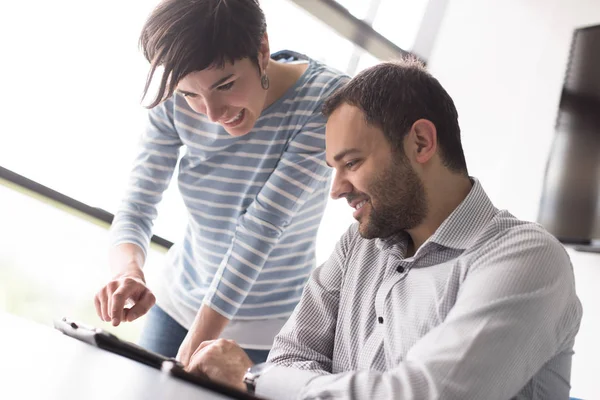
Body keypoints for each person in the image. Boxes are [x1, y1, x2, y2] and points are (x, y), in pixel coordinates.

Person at [184, 59, 583, 400]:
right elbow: (289, 357)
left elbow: (422, 395)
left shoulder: (527, 258)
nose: (337, 189)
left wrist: (255, 378)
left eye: (352, 163)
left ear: (422, 142)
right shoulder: (358, 246)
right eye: (333, 169)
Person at [93, 0, 348, 365]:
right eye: (190, 95)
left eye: (225, 85)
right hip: (177, 304)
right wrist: (128, 270)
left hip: (269, 329)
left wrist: (185, 359)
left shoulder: (325, 101)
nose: (212, 114)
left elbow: (261, 228)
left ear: (262, 49)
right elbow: (138, 201)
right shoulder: (175, 90)